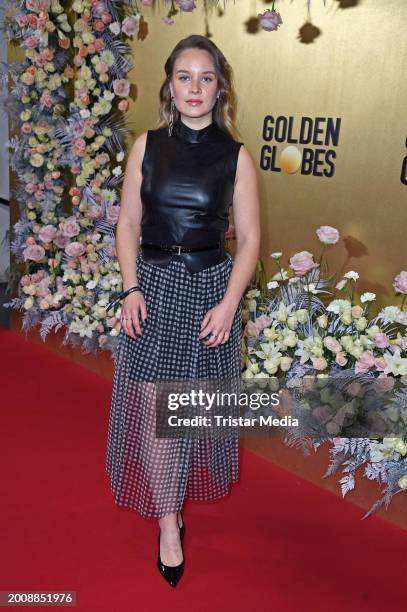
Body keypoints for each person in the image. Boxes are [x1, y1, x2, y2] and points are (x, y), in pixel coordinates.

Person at [105, 34, 260, 588]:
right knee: (152, 408)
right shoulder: (146, 145)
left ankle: (170, 506)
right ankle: (169, 521)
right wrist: (129, 288)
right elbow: (125, 223)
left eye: (207, 78)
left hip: (206, 291)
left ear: (220, 89)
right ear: (170, 85)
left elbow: (249, 239)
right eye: (185, 77)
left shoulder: (235, 156)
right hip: (150, 288)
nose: (195, 88)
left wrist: (229, 304)